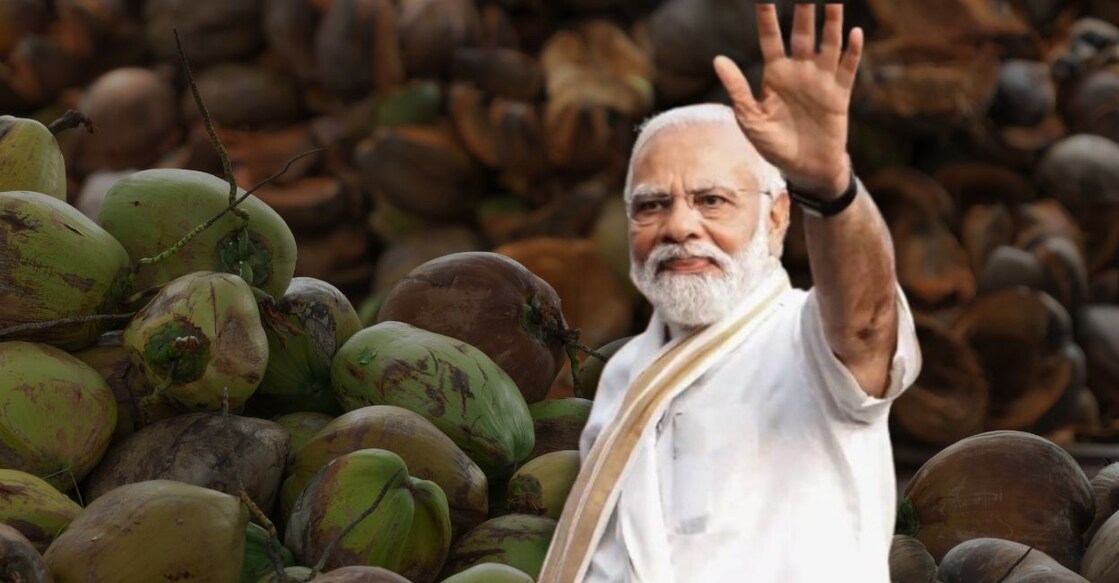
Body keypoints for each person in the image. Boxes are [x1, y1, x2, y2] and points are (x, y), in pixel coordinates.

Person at [537, 3, 922, 582]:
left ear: (776, 219)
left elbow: (866, 326)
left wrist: (830, 186)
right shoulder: (624, 374)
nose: (679, 226)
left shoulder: (807, 342)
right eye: (651, 205)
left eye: (712, 200)